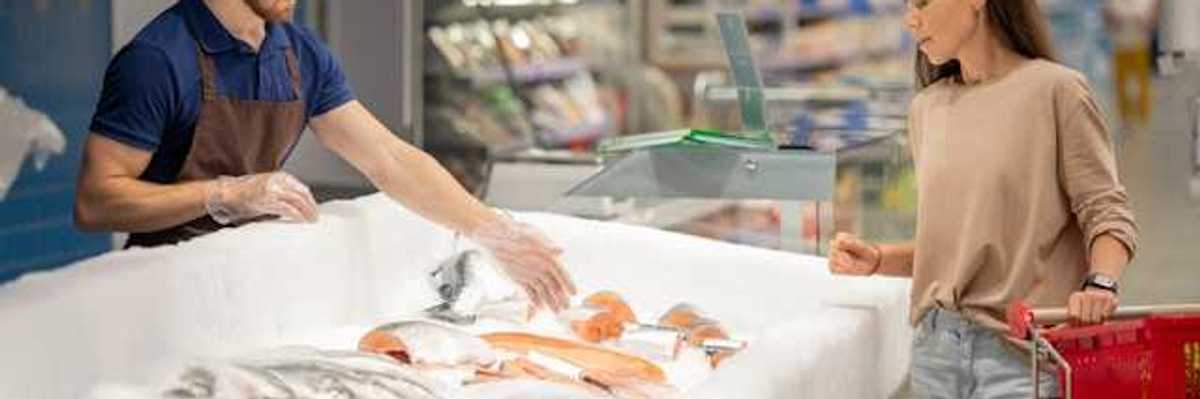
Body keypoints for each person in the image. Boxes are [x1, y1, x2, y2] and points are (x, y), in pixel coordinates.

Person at [73, 0, 575, 311]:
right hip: (161, 293)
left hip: (244, 279)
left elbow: (390, 159)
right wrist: (222, 194)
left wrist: (490, 229)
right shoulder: (157, 60)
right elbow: (96, 202)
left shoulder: (298, 52)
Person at [829, 0, 1139, 397]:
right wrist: (878, 258)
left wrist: (1101, 285)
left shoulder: (1056, 91)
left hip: (1021, 355)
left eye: (921, 3)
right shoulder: (927, 108)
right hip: (935, 351)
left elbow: (1107, 211)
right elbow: (963, 244)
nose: (910, 19)